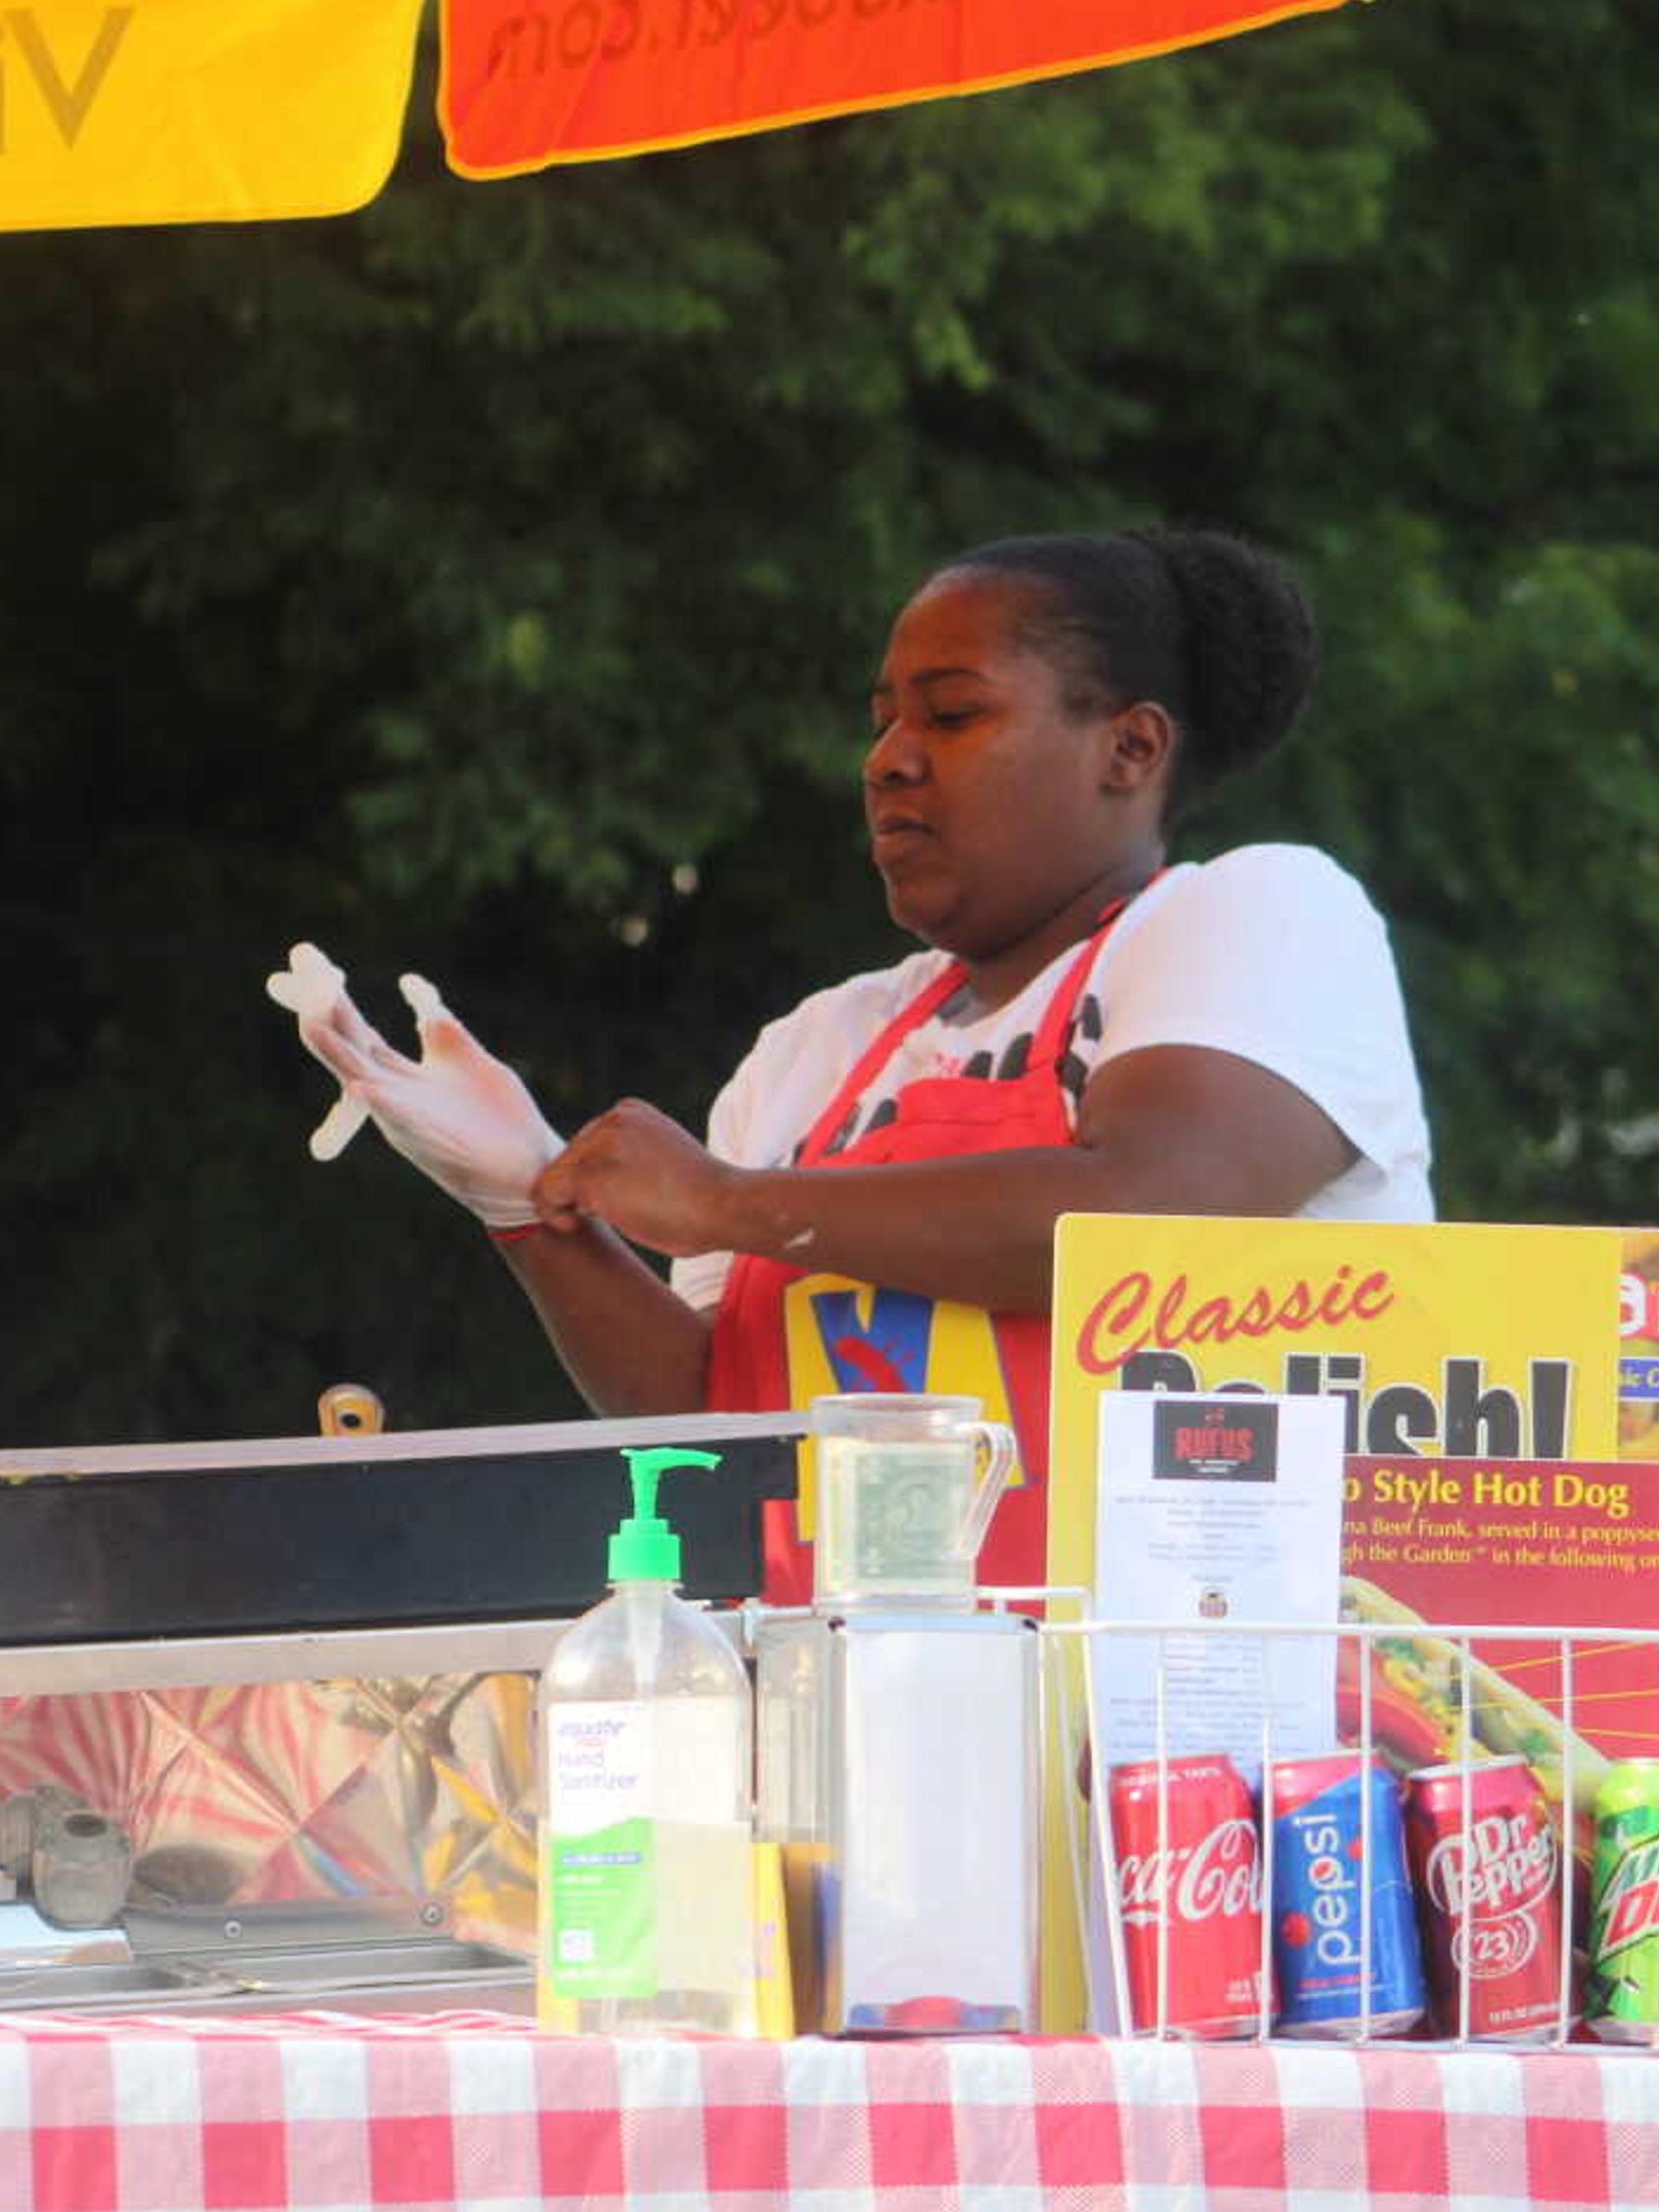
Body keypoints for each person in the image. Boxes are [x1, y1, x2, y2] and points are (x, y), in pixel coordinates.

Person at [267, 525, 1431, 1595]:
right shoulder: (814, 1049)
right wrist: (528, 1202)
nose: (888, 760)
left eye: (953, 714)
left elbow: (1150, 1220)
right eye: (883, 719)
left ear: (1128, 747)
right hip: (887, 1711)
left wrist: (730, 1202)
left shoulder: (1261, 914)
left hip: (1220, 1739)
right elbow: (719, 1412)